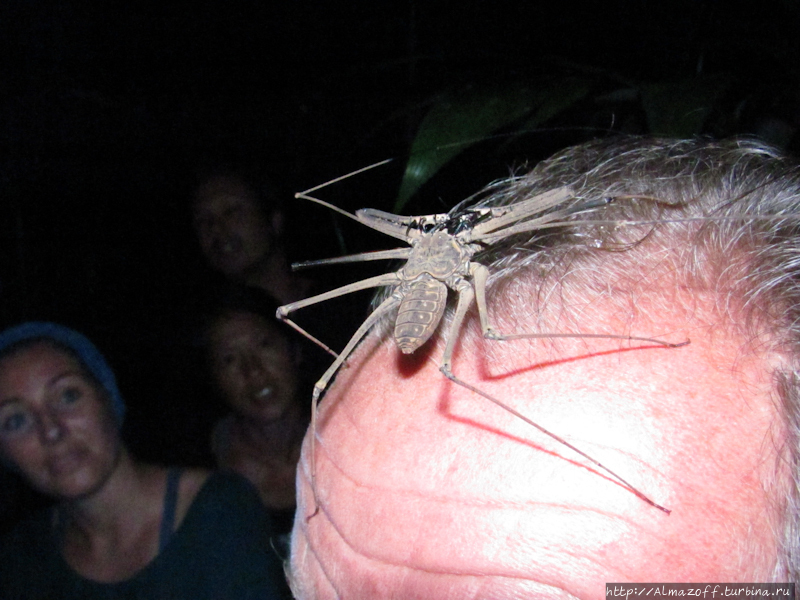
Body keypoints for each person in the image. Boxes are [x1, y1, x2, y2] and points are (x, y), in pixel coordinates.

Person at [288, 137, 800, 598]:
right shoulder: (467, 265)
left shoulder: (454, 259)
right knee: (476, 341)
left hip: (423, 282)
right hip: (422, 295)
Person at [0, 322, 291, 599]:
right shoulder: (22, 559)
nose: (51, 430)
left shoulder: (219, 510)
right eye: (16, 420)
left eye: (68, 395)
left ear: (108, 397)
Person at [206, 289, 309, 544]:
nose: (252, 370)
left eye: (264, 345)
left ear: (294, 350)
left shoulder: (350, 439)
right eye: (229, 360)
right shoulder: (199, 474)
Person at [192, 167, 311, 305]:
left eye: (232, 212)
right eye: (202, 221)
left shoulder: (330, 300)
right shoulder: (207, 322)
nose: (215, 228)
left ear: (274, 220)